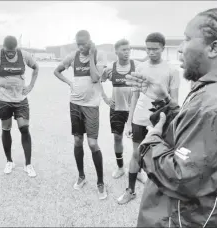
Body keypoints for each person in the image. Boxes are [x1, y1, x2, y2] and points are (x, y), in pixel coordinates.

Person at [126, 8, 217, 227]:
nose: (180, 49)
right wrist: (166, 103)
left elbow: (181, 177)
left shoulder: (213, 105)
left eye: (187, 39)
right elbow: (202, 140)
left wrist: (150, 142)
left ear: (214, 48)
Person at [117, 33, 180, 205]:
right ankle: (130, 191)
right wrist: (129, 122)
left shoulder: (172, 70)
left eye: (155, 49)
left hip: (160, 121)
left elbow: (174, 102)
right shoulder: (140, 68)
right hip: (139, 118)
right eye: (148, 49)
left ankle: (160, 195)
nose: (151, 52)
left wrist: (163, 93)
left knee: (160, 156)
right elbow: (134, 97)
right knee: (136, 154)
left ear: (163, 48)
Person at [53, 30, 108, 200]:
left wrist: (91, 56)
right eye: (78, 44)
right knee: (77, 140)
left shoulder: (100, 54)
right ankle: (81, 176)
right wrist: (70, 82)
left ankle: (100, 182)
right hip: (75, 103)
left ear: (90, 41)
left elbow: (94, 78)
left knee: (92, 144)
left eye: (84, 43)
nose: (81, 47)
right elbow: (57, 71)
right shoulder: (73, 56)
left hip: (91, 105)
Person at [0, 36, 39, 177]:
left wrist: (31, 86)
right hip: (4, 99)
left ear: (16, 48)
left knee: (24, 129)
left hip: (20, 99)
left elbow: (36, 67)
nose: (10, 54)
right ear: (3, 47)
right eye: (7, 51)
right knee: (6, 129)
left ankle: (28, 164)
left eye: (12, 51)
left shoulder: (24, 55)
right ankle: (9, 161)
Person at [100, 39, 143, 179]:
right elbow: (97, 82)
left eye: (128, 49)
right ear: (116, 52)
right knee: (117, 138)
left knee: (137, 141)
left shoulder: (136, 65)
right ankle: (120, 168)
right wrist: (106, 99)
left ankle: (138, 171)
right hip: (117, 109)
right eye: (124, 50)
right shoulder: (110, 69)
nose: (127, 52)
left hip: (134, 110)